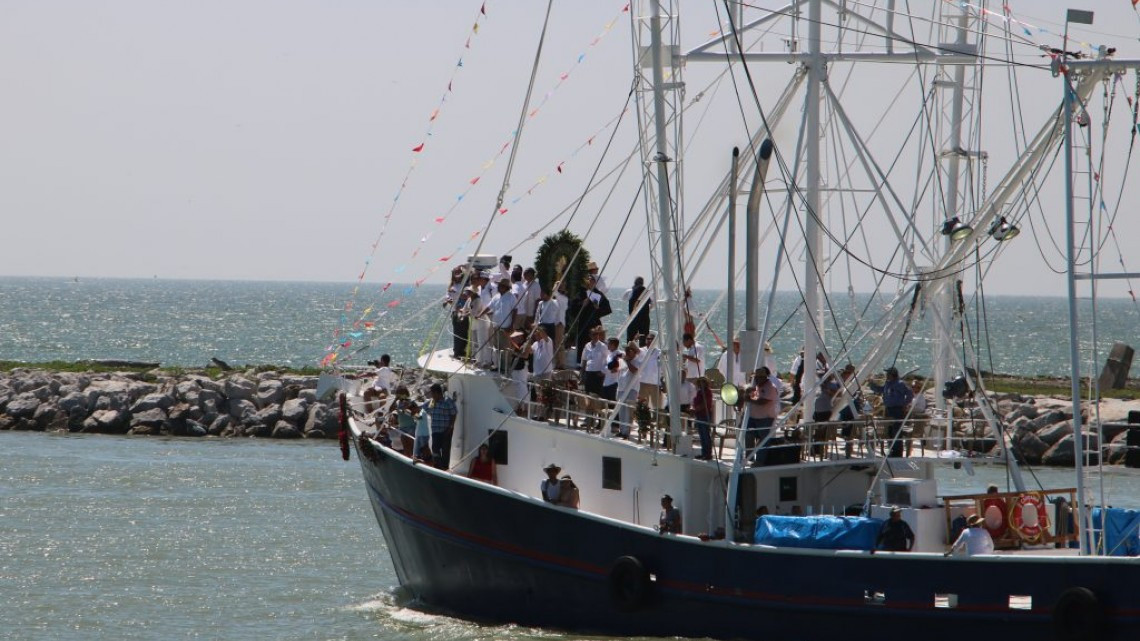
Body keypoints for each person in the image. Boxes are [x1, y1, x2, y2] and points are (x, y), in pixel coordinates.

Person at [870, 366, 914, 458]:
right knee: (889, 431)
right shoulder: (888, 384)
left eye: (888, 374)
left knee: (896, 431)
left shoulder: (900, 384)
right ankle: (891, 450)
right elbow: (880, 390)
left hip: (897, 410)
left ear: (892, 374)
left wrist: (904, 404)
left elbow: (910, 394)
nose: (886, 375)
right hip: (888, 409)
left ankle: (897, 452)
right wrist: (872, 384)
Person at [743, 367, 780, 465]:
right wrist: (747, 393)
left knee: (763, 441)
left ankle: (759, 461)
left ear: (763, 377)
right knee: (748, 435)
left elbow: (762, 401)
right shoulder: (756, 387)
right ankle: (749, 457)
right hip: (753, 418)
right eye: (755, 378)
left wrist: (749, 400)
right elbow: (754, 397)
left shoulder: (770, 387)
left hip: (765, 419)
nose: (756, 379)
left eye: (758, 378)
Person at [425, 383, 458, 469]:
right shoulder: (432, 402)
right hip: (435, 430)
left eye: (432, 393)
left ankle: (445, 468)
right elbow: (424, 409)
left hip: (446, 430)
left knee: (445, 450)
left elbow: (454, 414)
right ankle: (437, 466)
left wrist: (451, 427)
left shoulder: (448, 401)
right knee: (435, 449)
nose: (431, 396)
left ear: (437, 393)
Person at [635, 331, 662, 412]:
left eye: (651, 339)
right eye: (648, 339)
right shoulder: (640, 351)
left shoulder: (659, 352)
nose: (649, 341)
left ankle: (657, 423)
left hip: (655, 384)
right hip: (642, 383)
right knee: (641, 406)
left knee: (657, 407)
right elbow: (631, 349)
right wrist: (635, 340)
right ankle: (641, 422)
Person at [622, 276, 652, 342]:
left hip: (633, 318)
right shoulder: (646, 292)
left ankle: (630, 350)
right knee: (644, 338)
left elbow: (623, 298)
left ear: (635, 282)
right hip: (644, 319)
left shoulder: (631, 291)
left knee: (630, 338)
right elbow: (651, 302)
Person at [691, 376, 715, 460]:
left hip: (705, 415)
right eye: (700, 382)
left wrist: (697, 408)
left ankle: (708, 454)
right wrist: (694, 408)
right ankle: (703, 452)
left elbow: (706, 403)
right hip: (699, 415)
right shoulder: (699, 392)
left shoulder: (708, 392)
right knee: (701, 434)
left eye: (703, 382)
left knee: (706, 434)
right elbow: (695, 402)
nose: (701, 384)